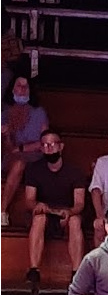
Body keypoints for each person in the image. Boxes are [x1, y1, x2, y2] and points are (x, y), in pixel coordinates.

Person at [24, 128, 88, 289]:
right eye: (45, 145)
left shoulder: (74, 172)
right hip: (45, 215)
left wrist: (69, 212)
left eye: (52, 144)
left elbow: (79, 203)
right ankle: (34, 270)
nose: (48, 148)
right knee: (38, 218)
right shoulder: (34, 170)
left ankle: (76, 272)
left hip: (66, 215)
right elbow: (29, 200)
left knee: (75, 221)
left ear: (61, 146)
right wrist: (37, 205)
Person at [1, 75, 49, 225]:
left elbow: (45, 140)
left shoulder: (39, 112)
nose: (21, 90)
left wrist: (21, 148)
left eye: (25, 86)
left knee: (20, 163)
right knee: (17, 163)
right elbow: (9, 148)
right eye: (18, 86)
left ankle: (2, 211)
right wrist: (7, 135)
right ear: (12, 88)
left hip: (34, 156)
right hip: (12, 156)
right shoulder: (5, 112)